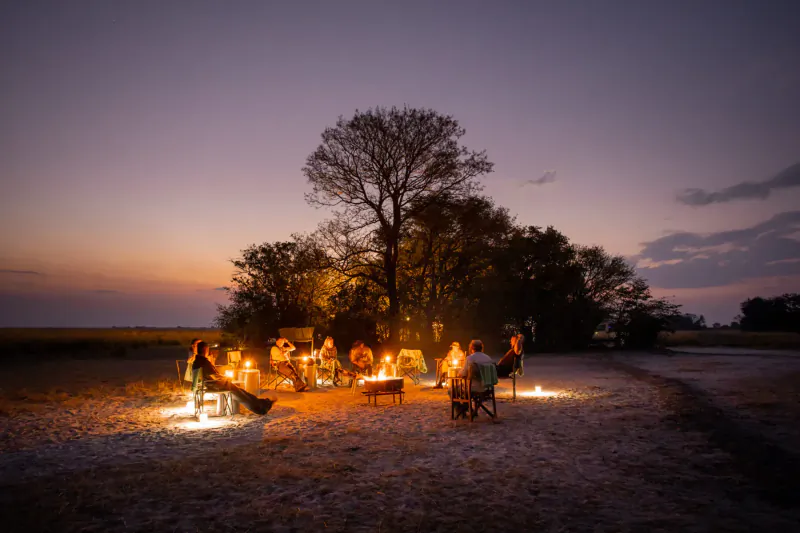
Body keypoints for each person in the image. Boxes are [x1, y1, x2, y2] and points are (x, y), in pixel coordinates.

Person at [192, 342, 273, 415]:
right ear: (204, 349)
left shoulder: (198, 361)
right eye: (208, 349)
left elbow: (211, 374)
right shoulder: (203, 362)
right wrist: (225, 378)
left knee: (241, 391)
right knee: (241, 395)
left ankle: (262, 403)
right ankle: (259, 409)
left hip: (213, 383)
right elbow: (213, 376)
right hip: (215, 384)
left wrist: (223, 378)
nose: (208, 352)